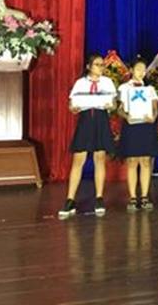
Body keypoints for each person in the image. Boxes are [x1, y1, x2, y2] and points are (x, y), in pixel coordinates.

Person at [58, 54, 117, 219]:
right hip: (85, 121)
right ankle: (70, 200)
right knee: (78, 160)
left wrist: (111, 105)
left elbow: (113, 103)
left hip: (101, 120)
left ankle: (99, 198)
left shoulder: (108, 82)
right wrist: (73, 108)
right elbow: (72, 104)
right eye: (97, 64)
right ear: (89, 67)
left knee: (100, 158)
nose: (101, 67)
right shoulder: (80, 83)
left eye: (102, 65)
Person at [118, 56, 158, 212]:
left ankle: (144, 196)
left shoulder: (150, 89)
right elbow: (120, 109)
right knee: (132, 161)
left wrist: (153, 117)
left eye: (144, 69)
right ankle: (132, 197)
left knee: (146, 161)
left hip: (146, 126)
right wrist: (126, 116)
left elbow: (155, 109)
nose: (142, 72)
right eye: (138, 69)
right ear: (131, 70)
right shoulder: (124, 88)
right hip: (132, 125)